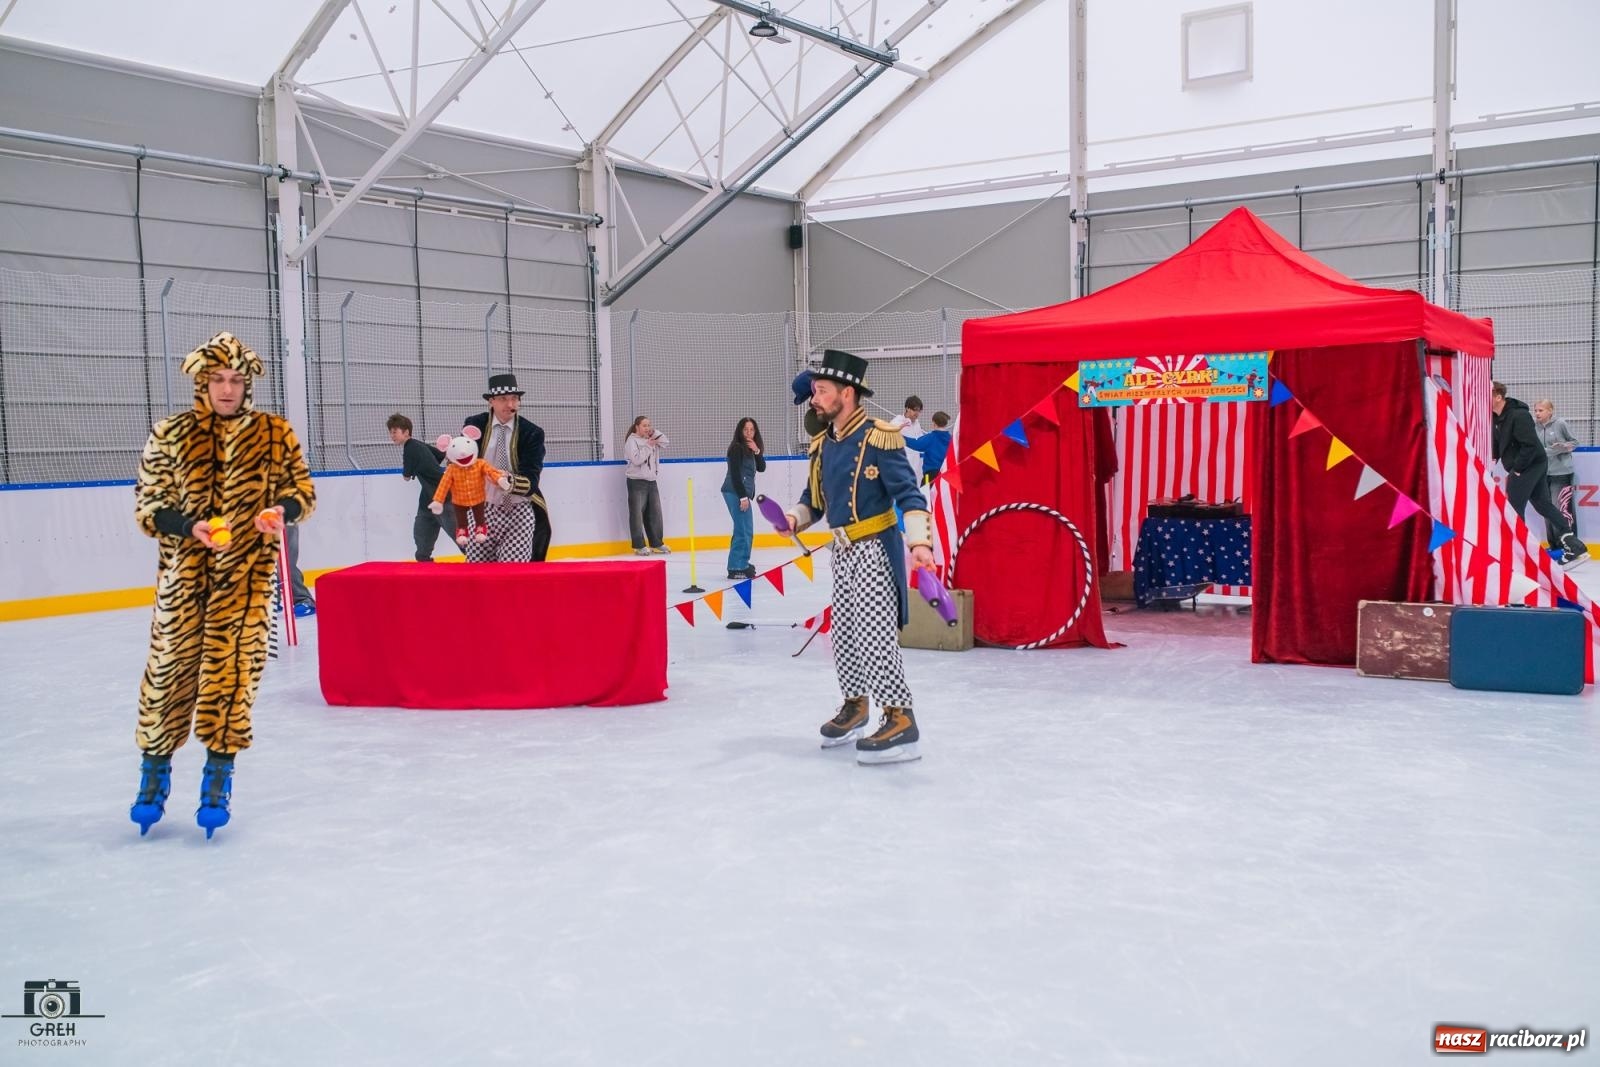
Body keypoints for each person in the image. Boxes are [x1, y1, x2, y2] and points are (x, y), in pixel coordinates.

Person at [129, 332, 315, 838]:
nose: (227, 389)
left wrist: (280, 511)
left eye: (236, 379)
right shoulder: (170, 434)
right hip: (184, 580)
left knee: (232, 679)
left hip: (247, 582)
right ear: (202, 383)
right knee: (168, 673)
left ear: (247, 384)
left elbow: (301, 491)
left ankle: (218, 776)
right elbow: (149, 507)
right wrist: (189, 527)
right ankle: (154, 772)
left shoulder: (275, 434)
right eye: (218, 380)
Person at [777, 349, 935, 765]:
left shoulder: (879, 437)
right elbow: (814, 500)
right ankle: (856, 705)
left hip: (875, 550)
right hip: (842, 552)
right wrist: (793, 518)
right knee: (845, 634)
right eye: (814, 391)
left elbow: (910, 494)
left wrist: (920, 543)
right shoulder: (824, 444)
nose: (814, 399)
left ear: (846, 393)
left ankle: (900, 718)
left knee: (874, 634)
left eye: (821, 391)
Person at [1492, 382, 1588, 569]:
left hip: (1529, 465)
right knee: (1543, 505)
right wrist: (1492, 459)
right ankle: (1575, 546)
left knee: (1514, 507)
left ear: (1498, 397)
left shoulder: (1518, 415)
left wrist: (1518, 468)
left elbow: (1529, 445)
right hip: (1530, 464)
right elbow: (1497, 442)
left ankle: (1520, 555)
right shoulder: (1495, 417)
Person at [463, 373, 551, 562]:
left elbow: (532, 479)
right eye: (503, 399)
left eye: (514, 399)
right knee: (477, 570)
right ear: (491, 401)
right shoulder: (475, 425)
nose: (510, 404)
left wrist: (509, 481)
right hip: (482, 510)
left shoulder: (532, 432)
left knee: (512, 573)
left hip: (518, 511)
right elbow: (463, 457)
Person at [389, 412, 452, 562]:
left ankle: (477, 557)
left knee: (454, 529)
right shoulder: (418, 444)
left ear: (406, 432)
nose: (392, 435)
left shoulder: (409, 448)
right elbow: (440, 455)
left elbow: (406, 476)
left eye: (395, 432)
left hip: (442, 493)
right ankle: (424, 561)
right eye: (390, 432)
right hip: (428, 495)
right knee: (422, 526)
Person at [1534, 398, 1582, 550]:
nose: (1537, 413)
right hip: (1542, 474)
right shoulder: (1534, 427)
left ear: (1550, 411)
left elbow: (1575, 443)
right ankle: (1554, 545)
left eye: (1540, 410)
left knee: (1562, 509)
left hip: (1561, 474)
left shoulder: (1560, 424)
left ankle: (1570, 545)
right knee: (1547, 509)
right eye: (1535, 410)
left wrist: (1563, 446)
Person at [721, 417, 766, 580]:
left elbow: (761, 468)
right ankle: (736, 566)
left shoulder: (750, 448)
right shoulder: (737, 448)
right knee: (742, 529)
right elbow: (735, 474)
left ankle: (742, 562)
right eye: (745, 429)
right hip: (735, 492)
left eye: (751, 430)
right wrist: (742, 497)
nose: (748, 433)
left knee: (746, 529)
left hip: (741, 493)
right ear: (740, 431)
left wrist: (757, 450)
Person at [623, 416, 671, 556]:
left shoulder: (650, 438)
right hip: (636, 482)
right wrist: (648, 446)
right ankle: (639, 545)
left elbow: (665, 442)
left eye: (649, 425)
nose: (647, 428)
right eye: (644, 425)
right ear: (637, 427)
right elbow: (637, 460)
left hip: (651, 481)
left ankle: (657, 543)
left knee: (655, 513)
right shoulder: (631, 441)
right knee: (637, 514)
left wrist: (654, 433)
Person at [906, 410, 953, 483]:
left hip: (931, 474)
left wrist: (900, 437)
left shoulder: (930, 438)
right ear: (946, 424)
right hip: (947, 475)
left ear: (934, 423)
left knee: (926, 490)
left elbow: (915, 444)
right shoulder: (951, 439)